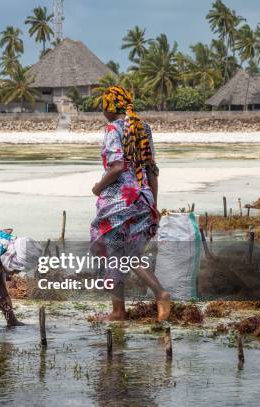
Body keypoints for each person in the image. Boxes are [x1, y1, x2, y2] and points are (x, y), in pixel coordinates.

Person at [90, 86, 171, 322]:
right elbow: (151, 169)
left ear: (109, 107)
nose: (102, 111)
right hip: (143, 199)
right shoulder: (143, 127)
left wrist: (98, 187)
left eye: (103, 106)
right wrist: (154, 203)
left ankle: (160, 293)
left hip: (119, 203)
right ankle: (119, 311)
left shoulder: (113, 129)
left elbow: (117, 167)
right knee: (123, 254)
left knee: (118, 254)